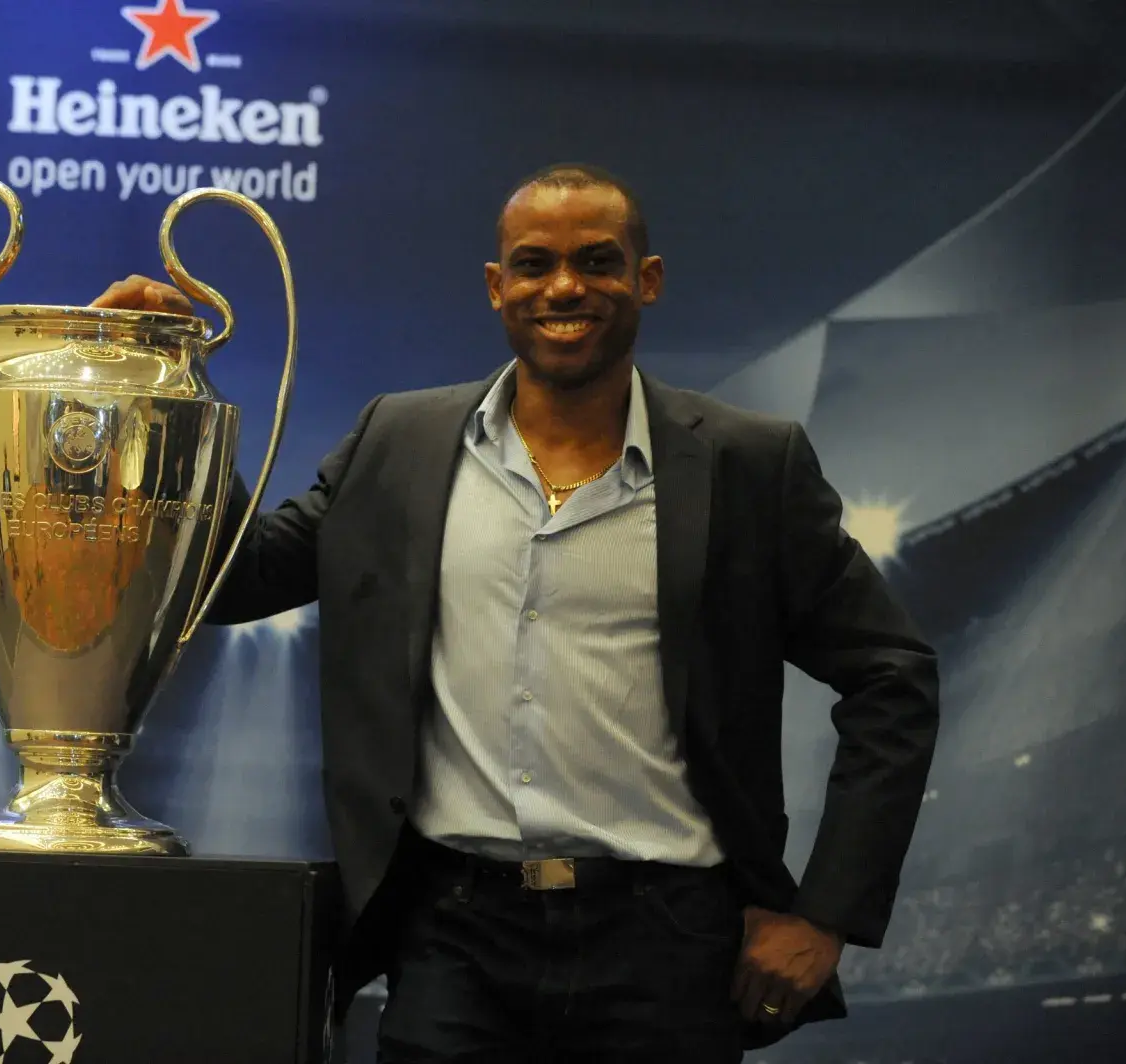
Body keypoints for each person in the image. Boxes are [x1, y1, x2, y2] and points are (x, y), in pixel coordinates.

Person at [90, 162, 940, 1063]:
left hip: (669, 944)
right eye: (534, 264)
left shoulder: (750, 466)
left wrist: (826, 915)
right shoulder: (399, 442)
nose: (564, 287)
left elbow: (892, 677)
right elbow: (232, 580)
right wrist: (166, 391)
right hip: (455, 938)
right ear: (499, 290)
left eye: (598, 261)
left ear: (646, 279)